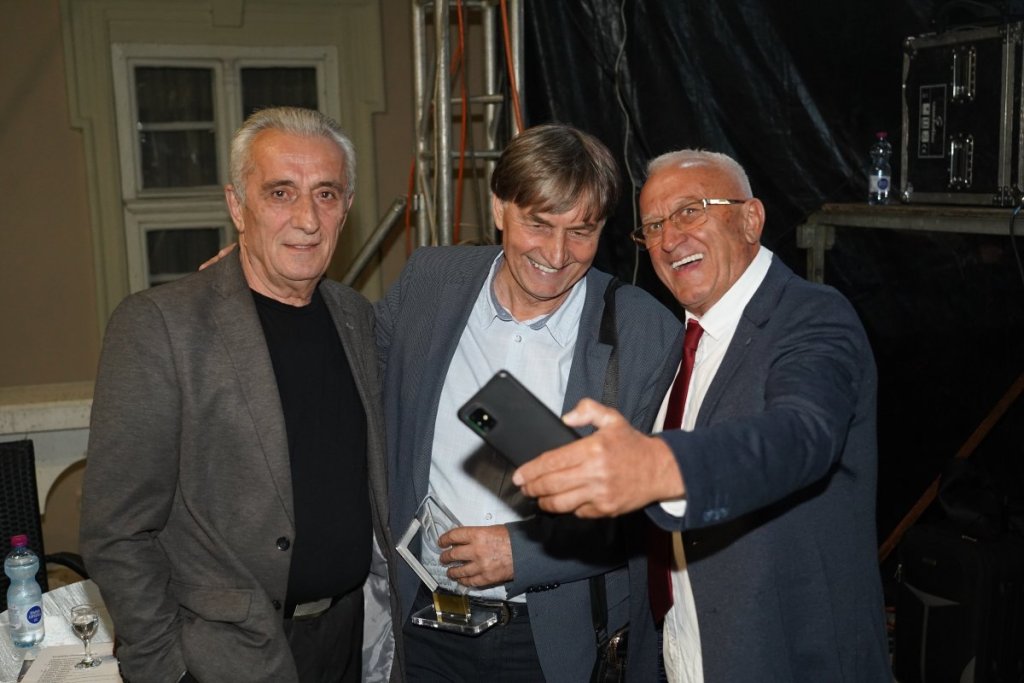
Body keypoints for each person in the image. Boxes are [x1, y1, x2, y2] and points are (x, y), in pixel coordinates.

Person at [514, 149, 891, 681]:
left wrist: (659, 467)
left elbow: (799, 436)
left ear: (751, 219)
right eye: (652, 226)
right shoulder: (682, 343)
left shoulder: (812, 317)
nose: (669, 239)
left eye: (690, 211)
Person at [80, 107, 403, 683]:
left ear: (346, 207)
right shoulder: (161, 325)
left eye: (326, 194)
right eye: (281, 193)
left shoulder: (355, 316)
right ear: (237, 205)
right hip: (223, 656)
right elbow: (118, 530)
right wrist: (165, 668)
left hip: (349, 640)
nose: (307, 219)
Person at [376, 124, 682, 681]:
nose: (556, 254)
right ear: (499, 207)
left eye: (581, 232)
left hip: (553, 641)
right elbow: (350, 364)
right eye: (538, 224)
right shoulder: (429, 283)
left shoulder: (645, 332)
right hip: (420, 626)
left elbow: (658, 509)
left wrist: (524, 555)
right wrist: (269, 282)